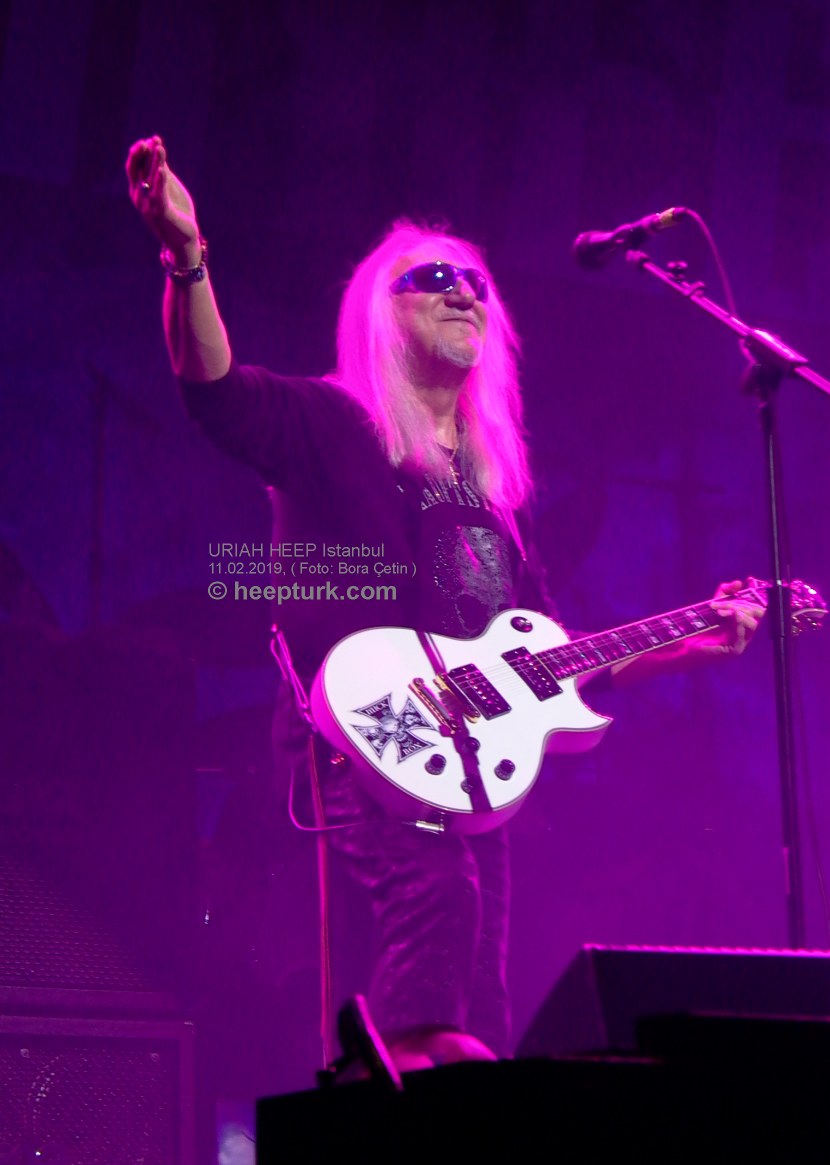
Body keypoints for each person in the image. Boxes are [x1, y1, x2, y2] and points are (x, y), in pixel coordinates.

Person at [126, 135, 765, 1072]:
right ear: (381, 315)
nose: (463, 290)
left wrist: (691, 643)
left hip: (468, 757)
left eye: (476, 282)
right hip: (358, 729)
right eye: (432, 278)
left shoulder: (498, 492)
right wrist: (187, 256)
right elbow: (215, 394)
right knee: (440, 897)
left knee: (483, 980)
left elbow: (552, 658)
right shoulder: (335, 422)